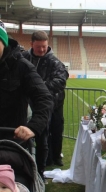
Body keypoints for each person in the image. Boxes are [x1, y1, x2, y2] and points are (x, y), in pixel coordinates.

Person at [0, 21, 53, 143]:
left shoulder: (21, 66)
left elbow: (44, 98)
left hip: (10, 144)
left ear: (3, 42)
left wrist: (33, 127)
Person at [22, 30, 69, 169]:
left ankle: (55, 156)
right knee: (40, 132)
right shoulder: (24, 58)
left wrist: (38, 88)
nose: (42, 49)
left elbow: (60, 81)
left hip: (54, 103)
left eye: (44, 46)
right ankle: (42, 159)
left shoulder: (55, 62)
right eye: (38, 47)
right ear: (31, 44)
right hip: (31, 104)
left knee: (56, 129)